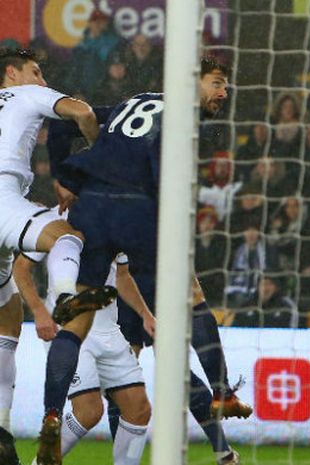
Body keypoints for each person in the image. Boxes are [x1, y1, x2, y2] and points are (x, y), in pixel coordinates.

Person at [39, 58, 250, 465]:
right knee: (189, 297)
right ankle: (222, 390)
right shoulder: (182, 118)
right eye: (217, 83)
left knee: (77, 317)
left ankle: (51, 412)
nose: (223, 93)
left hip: (93, 208)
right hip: (135, 208)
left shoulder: (132, 103)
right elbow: (162, 169)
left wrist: (62, 176)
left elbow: (67, 121)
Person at [0, 48, 116, 436]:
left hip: (10, 203)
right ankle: (67, 295)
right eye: (36, 71)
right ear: (11, 74)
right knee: (68, 236)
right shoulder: (26, 93)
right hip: (3, 198)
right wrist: (99, 161)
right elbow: (83, 112)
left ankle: (1, 434)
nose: (43, 81)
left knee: (7, 310)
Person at [14, 248, 153, 465]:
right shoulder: (56, 227)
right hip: (70, 330)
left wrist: (145, 314)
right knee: (88, 411)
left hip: (109, 332)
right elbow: (21, 267)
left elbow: (123, 276)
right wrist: (39, 311)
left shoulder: (115, 226)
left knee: (140, 409)